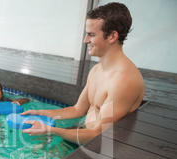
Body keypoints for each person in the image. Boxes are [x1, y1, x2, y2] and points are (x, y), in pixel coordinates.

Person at [22, 2, 145, 144]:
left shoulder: (124, 81)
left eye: (91, 35)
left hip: (99, 149)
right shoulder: (96, 70)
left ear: (112, 36)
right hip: (84, 134)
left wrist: (51, 129)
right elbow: (78, 110)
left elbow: (98, 133)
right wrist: (40, 113)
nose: (85, 41)